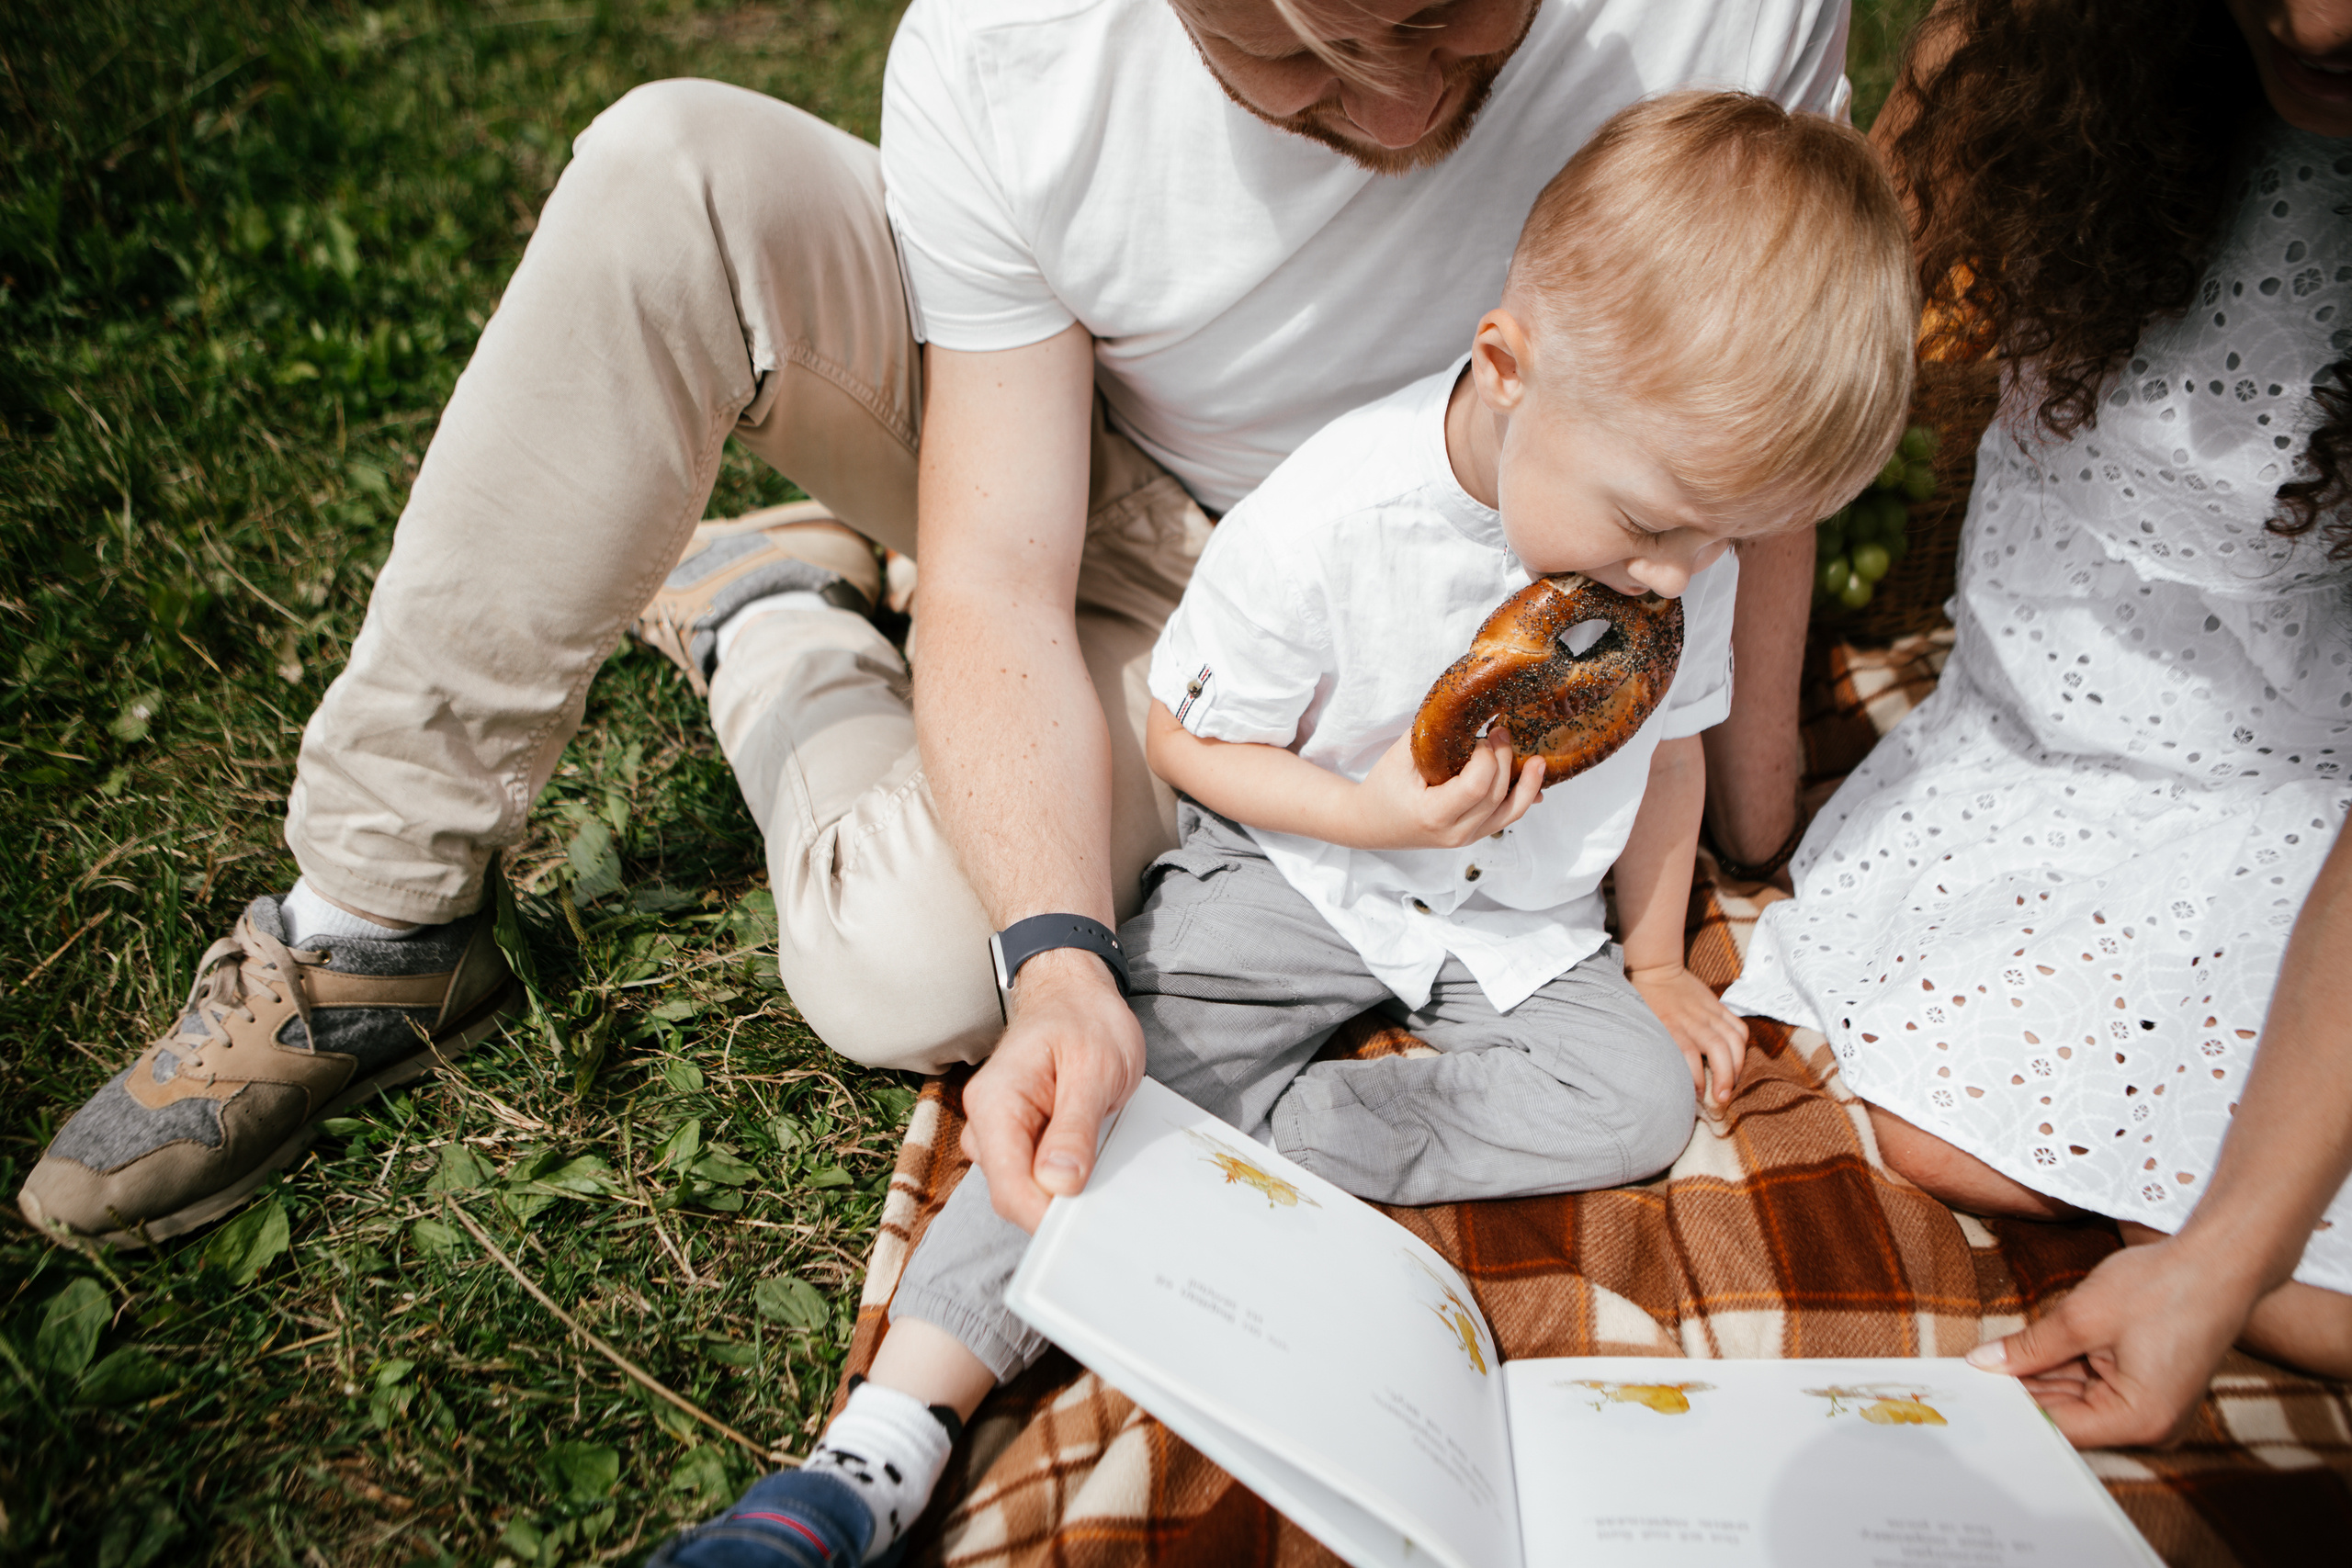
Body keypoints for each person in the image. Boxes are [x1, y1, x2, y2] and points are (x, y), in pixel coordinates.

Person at [17, 0, 1844, 1250]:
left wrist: (1751, 804)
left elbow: (1760, 385)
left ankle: (778, 617)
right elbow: (996, 569)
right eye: (1293, 56)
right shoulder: (1014, 42)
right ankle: (373, 921)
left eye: (1443, 32)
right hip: (1078, 473)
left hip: (1410, 591)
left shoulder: (1727, 16)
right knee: (672, 171)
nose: (1388, 115)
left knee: (901, 967)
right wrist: (1059, 960)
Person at [650, 90, 1918, 1568]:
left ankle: (1249, 1137)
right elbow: (1188, 740)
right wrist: (1370, 812)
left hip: (1514, 925)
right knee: (1106, 1073)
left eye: (1721, 538)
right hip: (1301, 871)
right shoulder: (1336, 514)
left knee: (1635, 1101)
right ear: (1507, 371)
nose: (1678, 573)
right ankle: (883, 1443)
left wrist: (1651, 964)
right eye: (1652, 523)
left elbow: (1673, 753)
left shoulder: (1669, 571)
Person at [1722, 0, 2352, 1450]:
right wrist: (1756, 769)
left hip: (2306, 802)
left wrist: (2227, 1253)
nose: (2318, 20)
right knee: (1947, 1125)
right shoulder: (2041, 56)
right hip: (2030, 743)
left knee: (2302, 1284)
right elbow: (1789, 352)